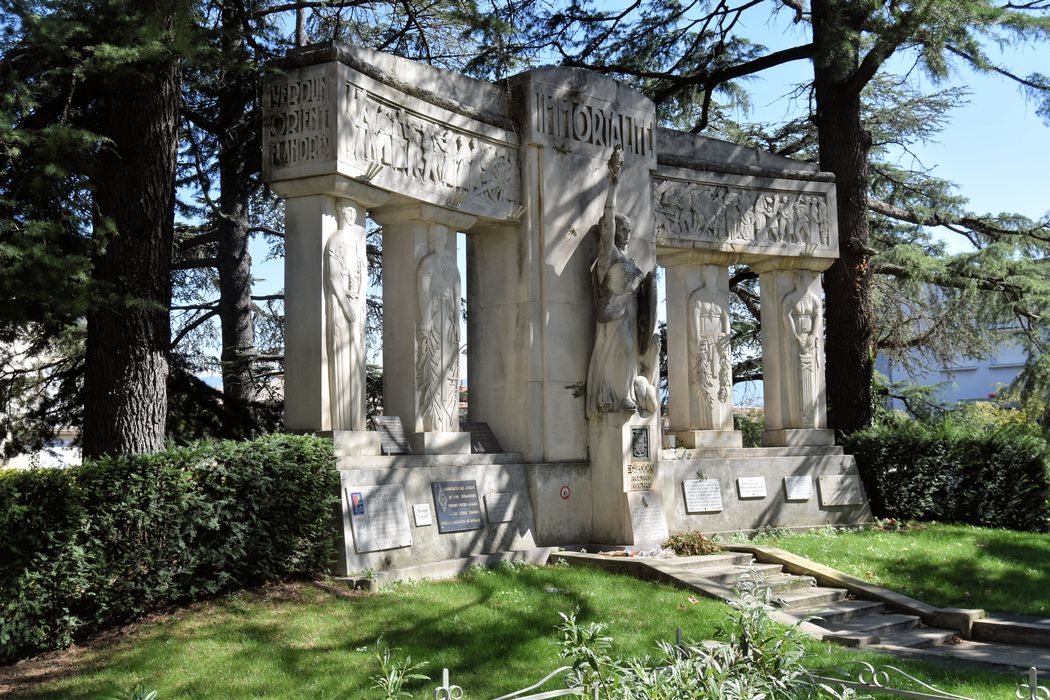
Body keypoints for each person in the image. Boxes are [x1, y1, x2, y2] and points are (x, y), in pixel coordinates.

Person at [586, 146, 658, 419]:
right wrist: (613, 188)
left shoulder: (630, 261)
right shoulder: (608, 255)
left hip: (629, 312)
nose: (626, 233)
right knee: (621, 348)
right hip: (612, 313)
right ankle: (613, 395)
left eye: (629, 229)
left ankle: (624, 395)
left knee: (629, 353)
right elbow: (607, 228)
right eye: (622, 229)